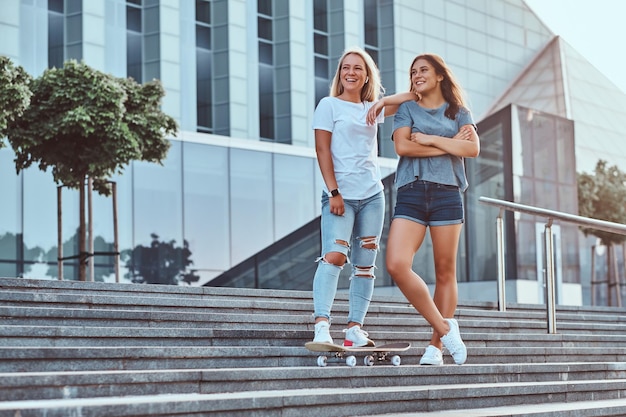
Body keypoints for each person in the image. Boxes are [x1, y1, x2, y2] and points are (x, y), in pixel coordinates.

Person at [367, 53, 479, 364]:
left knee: (445, 272)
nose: (417, 75)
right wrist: (448, 143)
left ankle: (436, 348)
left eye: (424, 70)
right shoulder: (406, 109)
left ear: (440, 75)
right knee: (396, 264)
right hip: (411, 191)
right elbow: (403, 147)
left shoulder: (459, 111)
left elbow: (471, 148)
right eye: (413, 71)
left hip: (447, 193)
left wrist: (429, 138)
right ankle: (445, 328)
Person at [311, 46, 416, 347]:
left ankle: (355, 328)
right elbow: (322, 151)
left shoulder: (372, 108)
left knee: (365, 264)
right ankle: (322, 325)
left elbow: (413, 97)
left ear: (367, 74)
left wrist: (381, 101)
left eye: (358, 68)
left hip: (372, 195)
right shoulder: (328, 105)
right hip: (339, 195)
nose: (351, 72)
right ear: (340, 73)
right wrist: (334, 191)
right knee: (334, 257)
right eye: (346, 67)